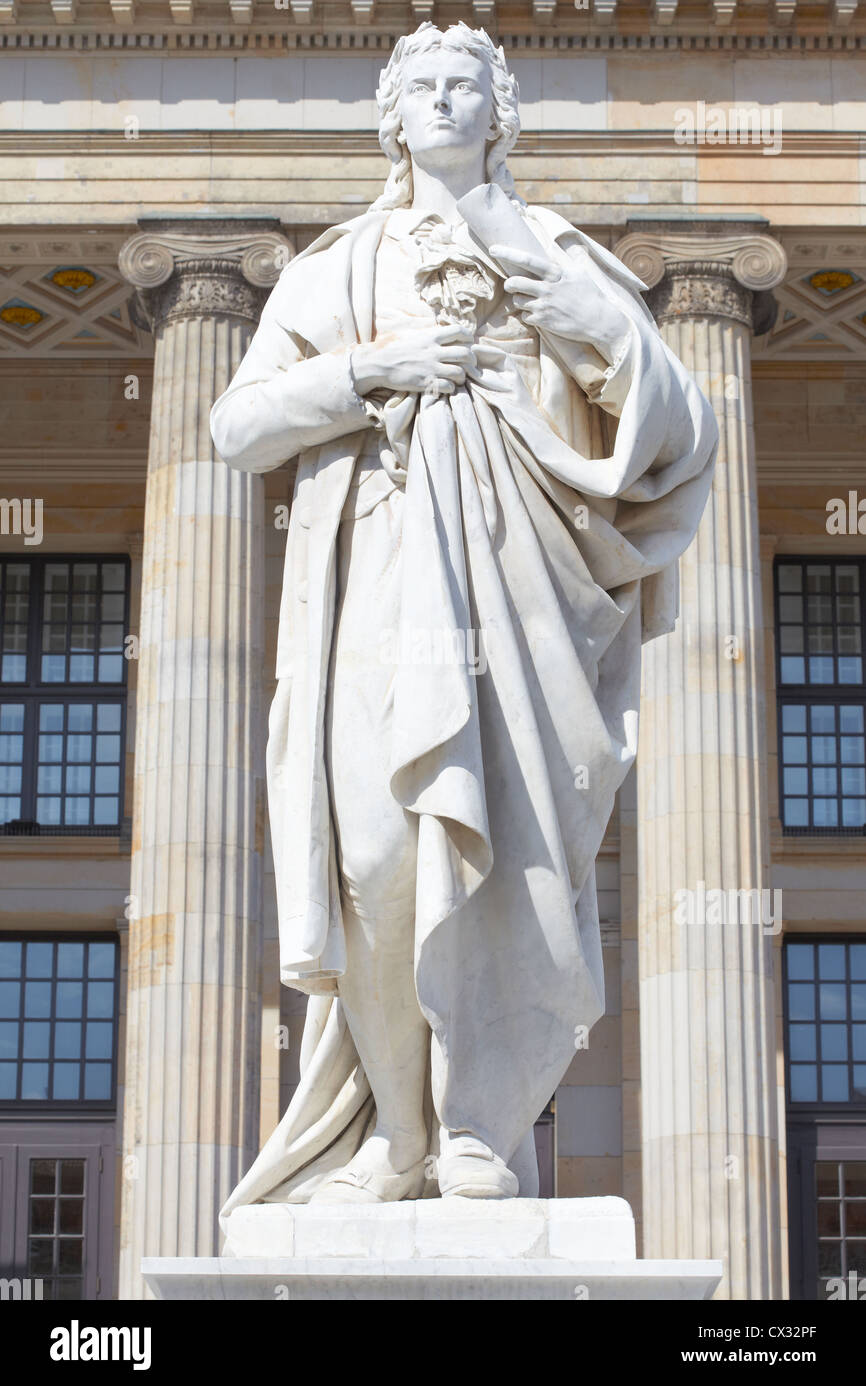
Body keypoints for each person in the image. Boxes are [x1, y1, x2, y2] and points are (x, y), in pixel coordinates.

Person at [211, 21, 717, 1214]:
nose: (443, 103)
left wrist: (560, 303)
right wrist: (371, 370)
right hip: (381, 577)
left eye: (465, 88)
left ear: (501, 114)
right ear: (391, 116)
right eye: (422, 87)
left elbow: (674, 422)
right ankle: (396, 1135)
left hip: (522, 587)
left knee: (517, 868)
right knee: (377, 856)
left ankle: (484, 1126)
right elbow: (237, 430)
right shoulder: (333, 267)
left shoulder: (550, 245)